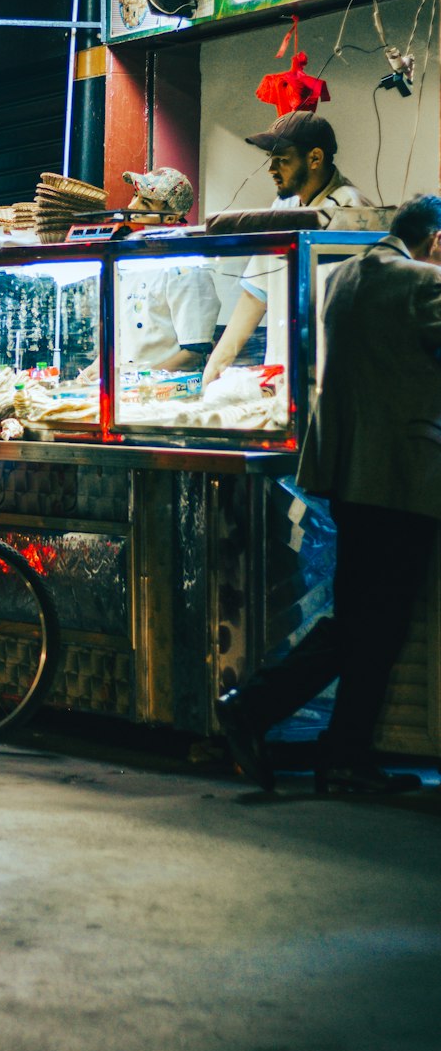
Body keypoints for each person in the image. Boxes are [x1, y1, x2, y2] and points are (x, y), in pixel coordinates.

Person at [216, 194, 441, 795]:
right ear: (437, 240)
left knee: (360, 618)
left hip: (347, 474)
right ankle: (258, 709)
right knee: (376, 623)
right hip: (402, 476)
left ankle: (340, 755)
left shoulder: (343, 276)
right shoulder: (423, 283)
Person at [202, 112, 373, 387]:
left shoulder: (350, 211)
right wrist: (216, 365)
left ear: (314, 158)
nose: (272, 169)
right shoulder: (284, 208)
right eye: (271, 159)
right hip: (282, 375)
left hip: (332, 380)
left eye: (282, 160)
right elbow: (256, 295)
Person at [117, 167, 219, 370]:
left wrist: (142, 383)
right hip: (128, 387)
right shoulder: (130, 262)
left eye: (144, 202)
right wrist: (96, 370)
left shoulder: (186, 268)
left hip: (166, 391)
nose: (131, 206)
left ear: (170, 218)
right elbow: (122, 338)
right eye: (134, 196)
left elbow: (193, 354)